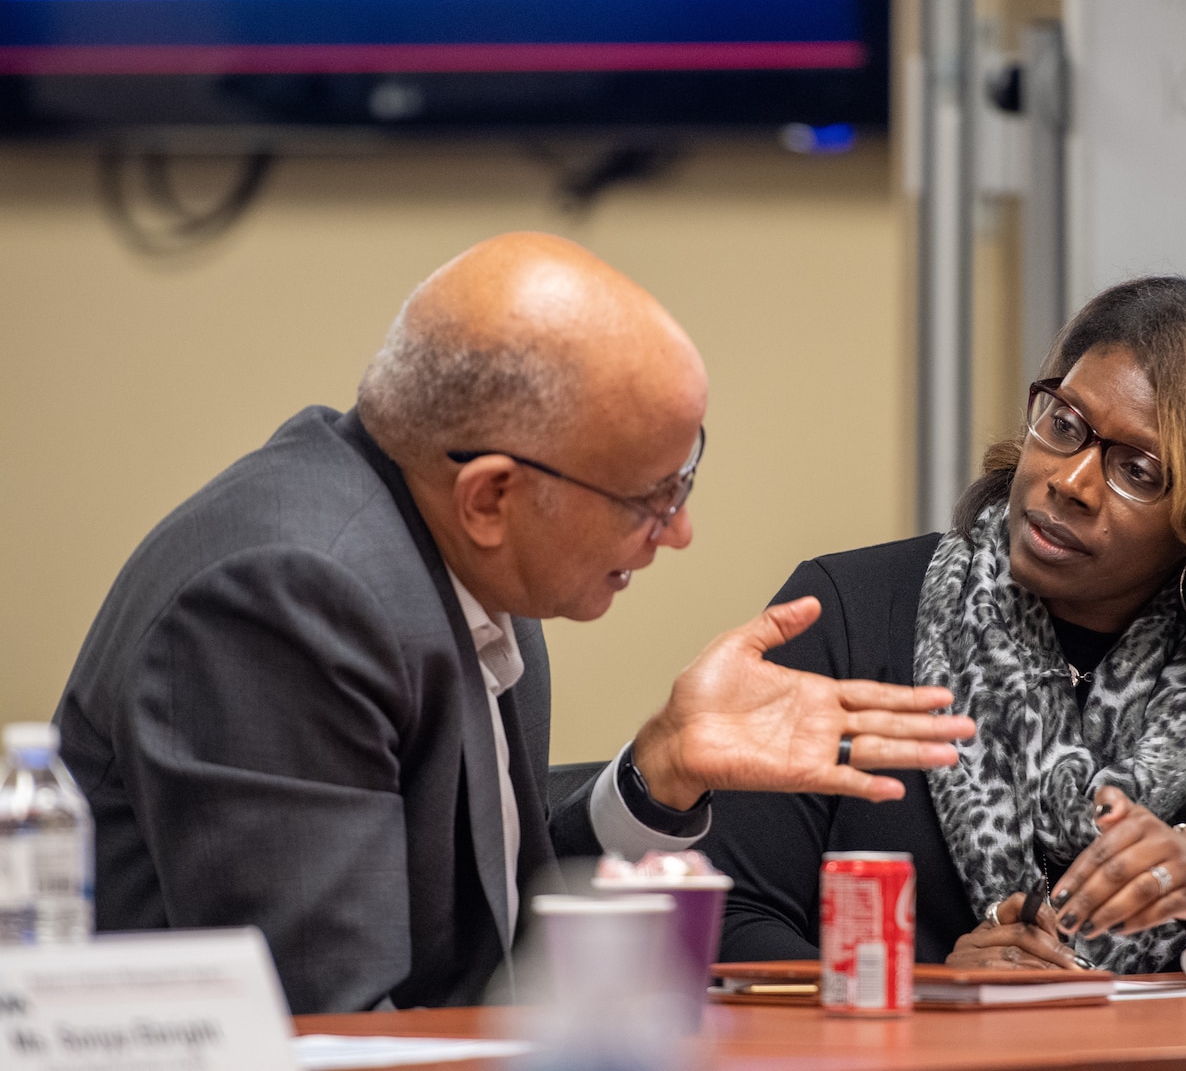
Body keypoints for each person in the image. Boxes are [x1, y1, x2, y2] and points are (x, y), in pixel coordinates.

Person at [52, 232, 973, 1013]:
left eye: (683, 480)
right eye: (650, 499)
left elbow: (489, 926)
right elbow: (340, 1030)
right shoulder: (290, 598)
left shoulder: (454, 557)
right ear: (492, 496)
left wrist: (660, 770)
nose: (679, 533)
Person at [704, 276, 1186, 974]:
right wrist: (929, 998)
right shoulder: (850, 614)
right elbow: (732, 923)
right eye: (1066, 424)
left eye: (1137, 469)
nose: (1071, 481)